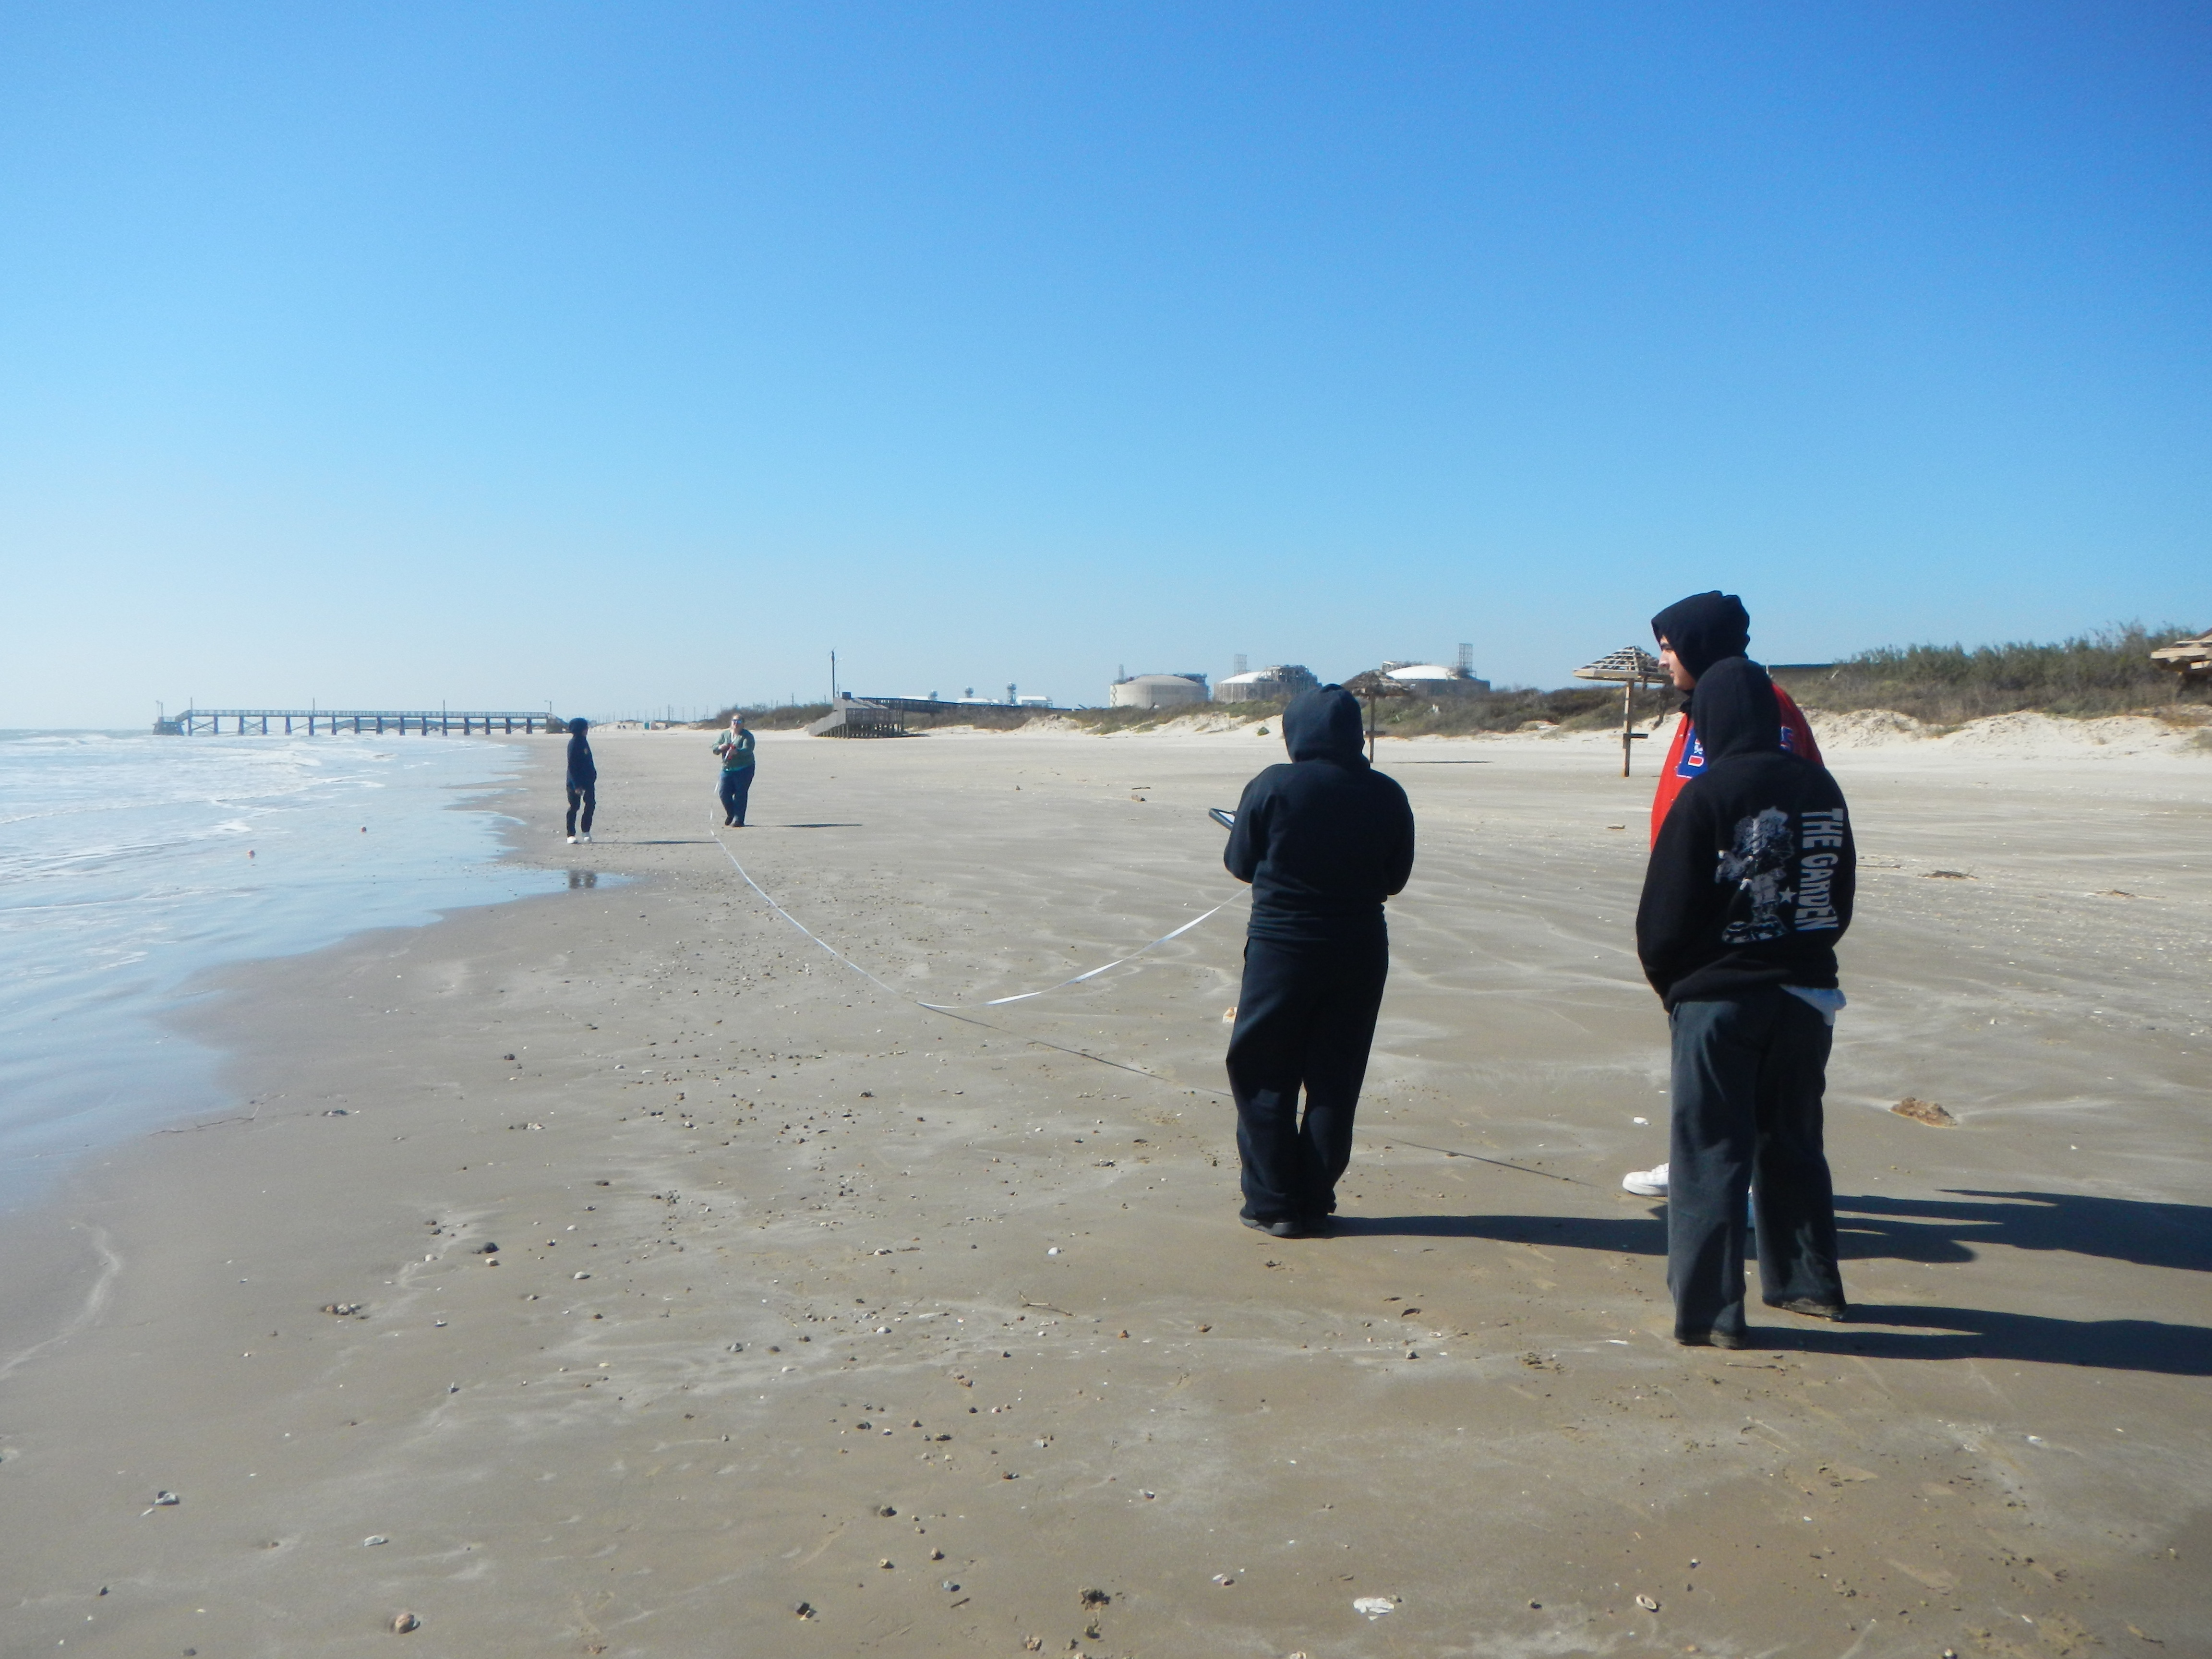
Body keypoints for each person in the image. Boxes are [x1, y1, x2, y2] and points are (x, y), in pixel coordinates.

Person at [1635, 656, 1855, 1346]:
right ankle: (1808, 1285)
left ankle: (1709, 1313)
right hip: (1806, 995)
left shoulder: (1706, 793)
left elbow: (1663, 919)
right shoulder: (1819, 784)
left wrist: (1675, 989)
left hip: (1720, 998)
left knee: (1709, 1155)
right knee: (1793, 1144)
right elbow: (1837, 893)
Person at [1625, 590, 1825, 1197]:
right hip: (1692, 902)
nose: (1663, 659)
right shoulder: (1700, 709)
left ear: (1699, 646)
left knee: (1735, 1049)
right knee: (1697, 1049)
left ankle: (1736, 1181)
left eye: (1669, 647)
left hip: (1737, 912)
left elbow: (1773, 804)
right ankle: (1696, 1159)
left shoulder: (1761, 706)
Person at [1222, 686, 1416, 1238]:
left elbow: (1240, 863)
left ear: (1296, 734)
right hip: (1359, 949)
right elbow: (1395, 879)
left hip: (1282, 949)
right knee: (1336, 1078)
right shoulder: (1387, 793)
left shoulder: (1273, 784)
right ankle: (1312, 1199)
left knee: (1264, 1073)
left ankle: (1274, 1203)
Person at [713, 715, 756, 827]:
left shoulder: (747, 736)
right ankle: (731, 813)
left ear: (743, 723)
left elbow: (748, 750)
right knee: (724, 794)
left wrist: (737, 752)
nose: (736, 723)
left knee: (740, 794)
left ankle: (739, 820)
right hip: (727, 768)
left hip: (745, 768)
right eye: (734, 721)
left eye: (739, 721)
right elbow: (715, 748)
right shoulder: (725, 734)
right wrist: (720, 747)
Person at [564, 717, 597, 844]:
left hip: (588, 781)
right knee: (574, 806)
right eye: (585, 728)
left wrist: (593, 775)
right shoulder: (574, 743)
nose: (587, 730)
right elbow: (572, 766)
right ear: (580, 729)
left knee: (591, 804)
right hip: (574, 782)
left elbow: (589, 761)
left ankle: (586, 831)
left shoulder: (584, 741)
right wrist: (577, 785)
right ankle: (571, 834)